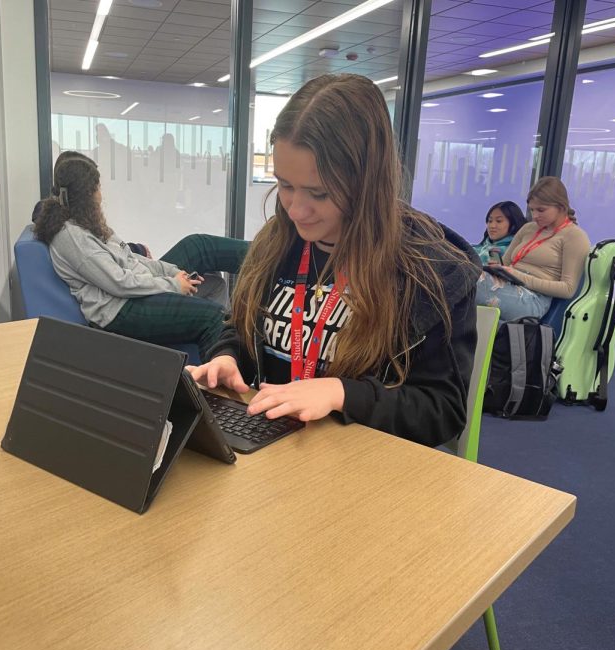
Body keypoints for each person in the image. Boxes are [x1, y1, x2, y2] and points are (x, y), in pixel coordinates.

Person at [187, 73, 481, 448]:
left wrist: (342, 393)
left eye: (319, 193)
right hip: (275, 451)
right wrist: (227, 358)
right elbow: (239, 329)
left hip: (360, 468)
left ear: (367, 184)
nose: (295, 209)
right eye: (285, 184)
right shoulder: (277, 243)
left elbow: (442, 412)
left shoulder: (431, 271)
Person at [33, 156, 249, 359]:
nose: (101, 195)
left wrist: (171, 271)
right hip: (121, 310)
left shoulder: (85, 222)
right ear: (85, 194)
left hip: (133, 293)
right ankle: (213, 391)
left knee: (204, 258)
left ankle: (266, 255)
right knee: (213, 317)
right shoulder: (72, 237)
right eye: (97, 188)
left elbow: (129, 256)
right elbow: (119, 283)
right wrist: (172, 285)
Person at [475, 176, 590, 321]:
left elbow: (568, 289)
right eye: (532, 210)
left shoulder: (574, 236)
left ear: (561, 207)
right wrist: (496, 267)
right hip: (508, 285)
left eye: (541, 210)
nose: (535, 216)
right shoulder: (528, 228)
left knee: (467, 279)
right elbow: (504, 264)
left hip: (533, 298)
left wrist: (519, 276)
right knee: (462, 271)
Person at [32, 151, 151, 257]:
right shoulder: (64, 227)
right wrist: (138, 250)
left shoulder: (72, 218)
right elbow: (97, 249)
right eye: (92, 187)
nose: (98, 194)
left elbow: (101, 244)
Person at [472, 201, 526, 265]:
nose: (492, 226)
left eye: (499, 221)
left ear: (513, 224)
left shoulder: (514, 253)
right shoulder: (474, 249)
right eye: (490, 221)